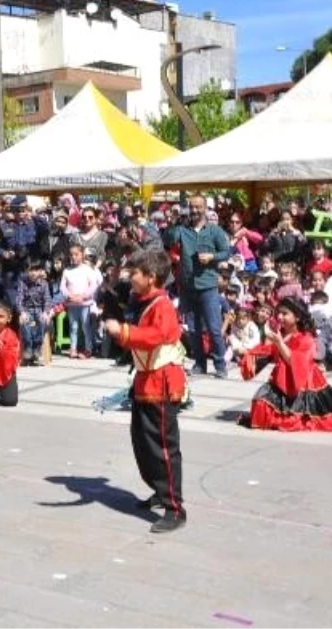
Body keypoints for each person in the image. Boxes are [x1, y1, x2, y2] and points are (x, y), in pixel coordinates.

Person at [102, 249, 189, 533]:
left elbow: (157, 336)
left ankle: (174, 507)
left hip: (161, 383)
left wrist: (123, 332)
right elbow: (122, 309)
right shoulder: (143, 300)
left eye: (135, 273)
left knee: (163, 447)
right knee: (142, 443)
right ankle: (158, 489)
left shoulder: (162, 305)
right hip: (144, 380)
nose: (131, 277)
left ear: (151, 277)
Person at [242, 297, 332, 432]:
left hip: (303, 383)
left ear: (297, 317)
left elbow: (296, 363)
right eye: (279, 313)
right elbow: (270, 353)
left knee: (295, 418)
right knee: (260, 404)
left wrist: (279, 343)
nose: (280, 317)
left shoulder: (307, 338)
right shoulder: (281, 333)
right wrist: (252, 356)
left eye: (284, 313)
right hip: (280, 380)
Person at [166, 195, 232, 378]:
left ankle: (220, 365)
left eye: (198, 207)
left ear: (205, 209)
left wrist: (212, 257)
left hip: (208, 285)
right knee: (193, 328)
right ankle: (199, 363)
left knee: (213, 327)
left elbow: (227, 251)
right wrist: (173, 221)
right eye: (191, 207)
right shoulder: (182, 229)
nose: (194, 211)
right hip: (187, 286)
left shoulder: (215, 231)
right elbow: (168, 239)